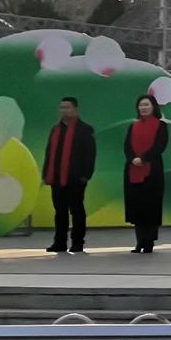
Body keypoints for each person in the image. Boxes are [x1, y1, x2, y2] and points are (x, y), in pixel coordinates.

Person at [42, 96, 97, 254]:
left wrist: (85, 176)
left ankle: (78, 242)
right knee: (60, 212)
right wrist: (46, 174)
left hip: (76, 179)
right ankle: (59, 242)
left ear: (75, 109)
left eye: (67, 107)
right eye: (62, 107)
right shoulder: (56, 130)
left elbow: (90, 155)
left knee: (77, 211)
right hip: (56, 178)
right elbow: (49, 153)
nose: (64, 110)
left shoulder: (85, 129)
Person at [123, 93, 170, 255]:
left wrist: (143, 158)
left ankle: (149, 241)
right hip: (133, 169)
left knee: (151, 206)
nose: (143, 108)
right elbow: (127, 146)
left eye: (146, 105)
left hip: (152, 171)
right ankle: (139, 241)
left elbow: (160, 146)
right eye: (141, 105)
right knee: (137, 207)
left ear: (153, 107)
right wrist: (133, 158)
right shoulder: (133, 126)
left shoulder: (161, 126)